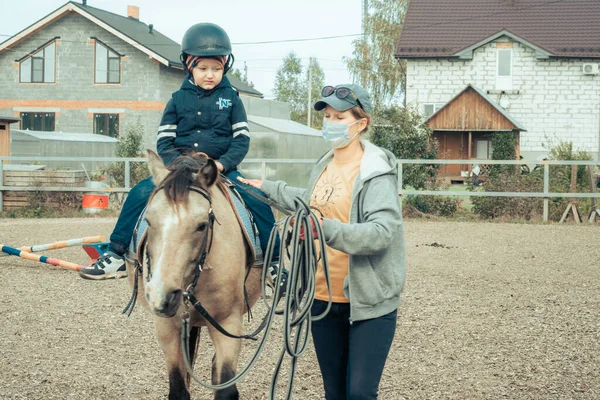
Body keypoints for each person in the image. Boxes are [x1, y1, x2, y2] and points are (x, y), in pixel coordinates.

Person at [238, 84, 406, 399]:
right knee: (334, 393)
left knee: (358, 394)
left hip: (368, 303)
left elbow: (382, 232)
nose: (330, 122)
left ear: (361, 123)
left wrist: (323, 229)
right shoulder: (326, 164)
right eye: (327, 116)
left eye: (339, 116)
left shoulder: (375, 172)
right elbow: (313, 201)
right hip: (322, 298)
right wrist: (268, 188)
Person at [79, 23, 281, 282]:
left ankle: (274, 264)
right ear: (190, 66)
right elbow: (164, 142)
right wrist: (177, 165)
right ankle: (118, 254)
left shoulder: (233, 99)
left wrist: (221, 165)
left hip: (220, 169)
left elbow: (241, 140)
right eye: (203, 68)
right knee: (139, 193)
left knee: (257, 200)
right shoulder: (176, 100)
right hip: (180, 169)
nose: (210, 75)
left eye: (216, 69)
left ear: (225, 67)